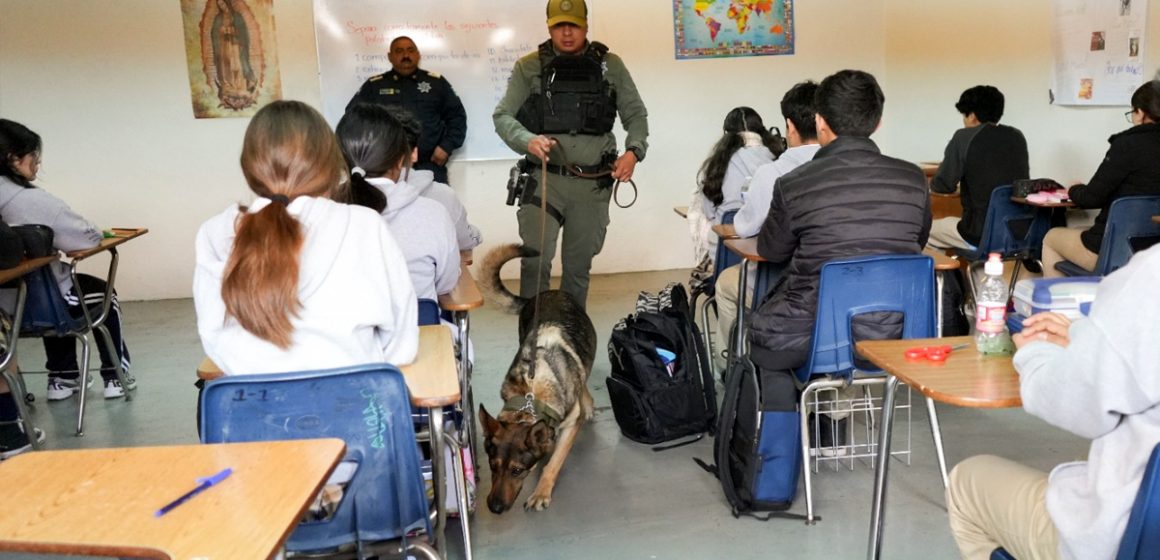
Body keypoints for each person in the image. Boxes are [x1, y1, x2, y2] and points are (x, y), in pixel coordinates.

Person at [747, 70, 931, 449]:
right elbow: (917, 241)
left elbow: (771, 251)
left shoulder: (795, 184)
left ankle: (781, 455)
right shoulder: (913, 179)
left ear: (819, 121)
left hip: (816, 337)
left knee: (765, 340)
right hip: (899, 333)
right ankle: (832, 432)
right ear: (877, 121)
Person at [946, 243, 1160, 559]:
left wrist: (1034, 352)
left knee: (966, 483)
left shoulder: (1151, 276)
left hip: (1129, 540)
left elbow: (1072, 404)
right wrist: (1086, 338)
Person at [194, 100, 418, 375]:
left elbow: (214, 339)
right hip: (356, 408)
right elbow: (402, 341)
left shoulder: (216, 232)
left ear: (249, 166)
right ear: (329, 163)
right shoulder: (364, 223)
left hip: (255, 411)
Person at [492, 0, 649, 307]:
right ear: (549, 26)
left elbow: (636, 116)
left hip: (591, 184)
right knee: (535, 264)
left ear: (586, 26)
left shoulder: (610, 65)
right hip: (545, 181)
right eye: (559, 26)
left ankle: (571, 336)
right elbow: (503, 116)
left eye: (574, 25)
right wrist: (527, 140)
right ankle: (532, 338)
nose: (566, 33)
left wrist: (633, 152)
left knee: (578, 269)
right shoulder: (529, 66)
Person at [0, 118, 135, 402]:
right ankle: (115, 376)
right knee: (101, 297)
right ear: (13, 159)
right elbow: (84, 238)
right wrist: (97, 232)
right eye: (33, 157)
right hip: (37, 302)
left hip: (5, 314)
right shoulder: (29, 200)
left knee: (48, 297)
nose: (37, 164)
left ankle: (63, 378)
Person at [713, 82, 821, 363]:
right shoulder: (848, 172)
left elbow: (743, 229)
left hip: (787, 290)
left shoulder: (772, 174)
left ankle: (734, 368)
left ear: (790, 126)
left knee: (726, 283)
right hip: (847, 292)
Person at [337, 102, 461, 302]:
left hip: (343, 332)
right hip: (420, 330)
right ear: (400, 160)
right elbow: (446, 284)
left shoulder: (319, 214)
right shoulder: (433, 214)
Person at [1040, 80, 1160, 277]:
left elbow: (1091, 198)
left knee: (1051, 238)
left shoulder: (1127, 145)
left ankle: (1061, 306)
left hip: (1121, 252)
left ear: (1141, 112)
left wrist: (1073, 189)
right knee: (1080, 229)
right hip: (1153, 252)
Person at [347, 36, 467, 184]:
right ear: (390, 56)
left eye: (410, 50)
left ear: (418, 54)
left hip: (429, 165)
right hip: (386, 168)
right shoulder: (374, 86)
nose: (405, 55)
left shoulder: (436, 84)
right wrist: (370, 153)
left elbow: (457, 117)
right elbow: (353, 118)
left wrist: (446, 146)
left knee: (435, 205)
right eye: (399, 51)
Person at [926, 85, 1029, 251]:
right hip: (1017, 231)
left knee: (923, 231)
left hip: (979, 234)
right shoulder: (1017, 136)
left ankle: (948, 276)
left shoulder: (963, 137)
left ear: (972, 115)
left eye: (964, 115)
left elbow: (942, 185)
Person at [687, 107, 778, 289]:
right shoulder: (777, 158)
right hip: (772, 265)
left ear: (726, 134)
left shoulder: (716, 166)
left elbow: (708, 212)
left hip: (726, 258)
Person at [388, 107, 483, 258]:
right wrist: (477, 235)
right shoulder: (441, 196)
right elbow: (465, 241)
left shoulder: (344, 196)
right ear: (414, 153)